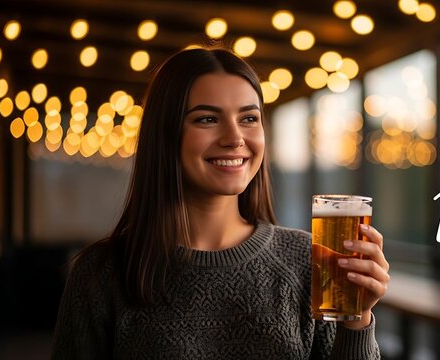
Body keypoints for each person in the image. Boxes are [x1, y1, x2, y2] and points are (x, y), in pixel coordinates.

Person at [51, 45, 390, 359]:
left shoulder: (308, 261)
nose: (234, 138)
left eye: (249, 118)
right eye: (207, 119)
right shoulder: (100, 274)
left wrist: (358, 320)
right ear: (165, 135)